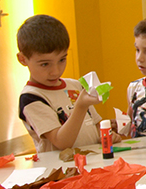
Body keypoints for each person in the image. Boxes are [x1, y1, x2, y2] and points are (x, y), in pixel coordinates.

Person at [16, 14, 102, 152]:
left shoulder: (75, 85)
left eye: (62, 60)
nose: (55, 71)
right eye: (45, 64)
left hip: (92, 162)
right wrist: (80, 106)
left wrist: (106, 135)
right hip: (61, 170)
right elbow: (61, 142)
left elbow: (95, 125)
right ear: (23, 59)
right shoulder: (30, 98)